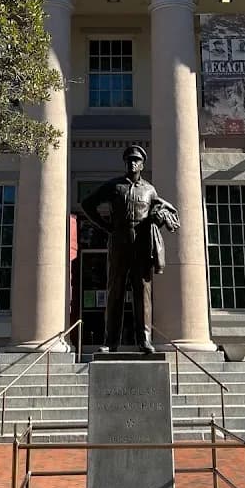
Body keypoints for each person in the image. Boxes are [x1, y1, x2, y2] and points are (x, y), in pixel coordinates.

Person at [80, 145, 178, 354]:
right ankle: (110, 342)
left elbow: (158, 215)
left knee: (143, 292)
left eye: (136, 160)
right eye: (129, 160)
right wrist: (106, 227)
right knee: (115, 291)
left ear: (142, 164)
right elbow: (88, 204)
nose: (132, 163)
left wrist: (158, 219)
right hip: (119, 244)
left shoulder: (150, 190)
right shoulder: (114, 186)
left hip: (142, 245)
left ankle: (144, 340)